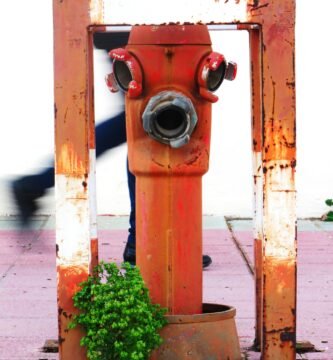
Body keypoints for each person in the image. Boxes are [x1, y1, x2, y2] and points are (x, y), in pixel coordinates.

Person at [11, 31, 212, 268]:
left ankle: (141, 240)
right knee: (147, 124)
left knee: (143, 124)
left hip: (136, 26)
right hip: (139, 28)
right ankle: (142, 241)